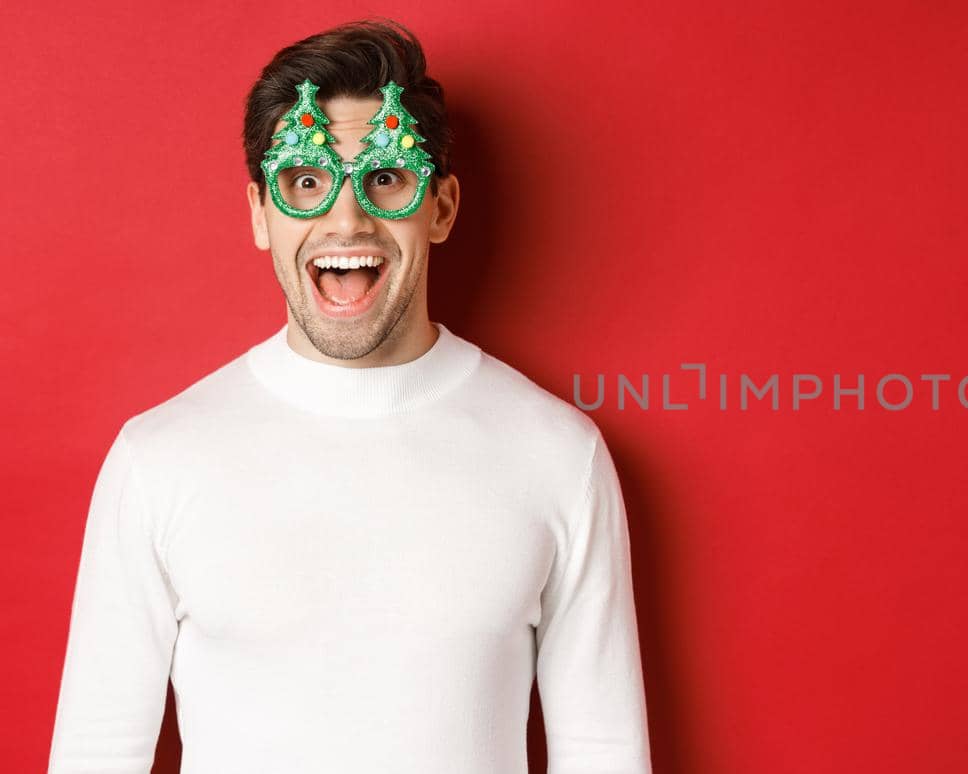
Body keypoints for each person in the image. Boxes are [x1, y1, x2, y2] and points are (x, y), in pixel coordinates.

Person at [46, 19, 652, 774]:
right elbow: (96, 753)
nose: (346, 219)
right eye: (305, 182)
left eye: (386, 177)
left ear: (441, 207)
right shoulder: (157, 459)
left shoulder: (558, 454)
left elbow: (604, 752)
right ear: (260, 215)